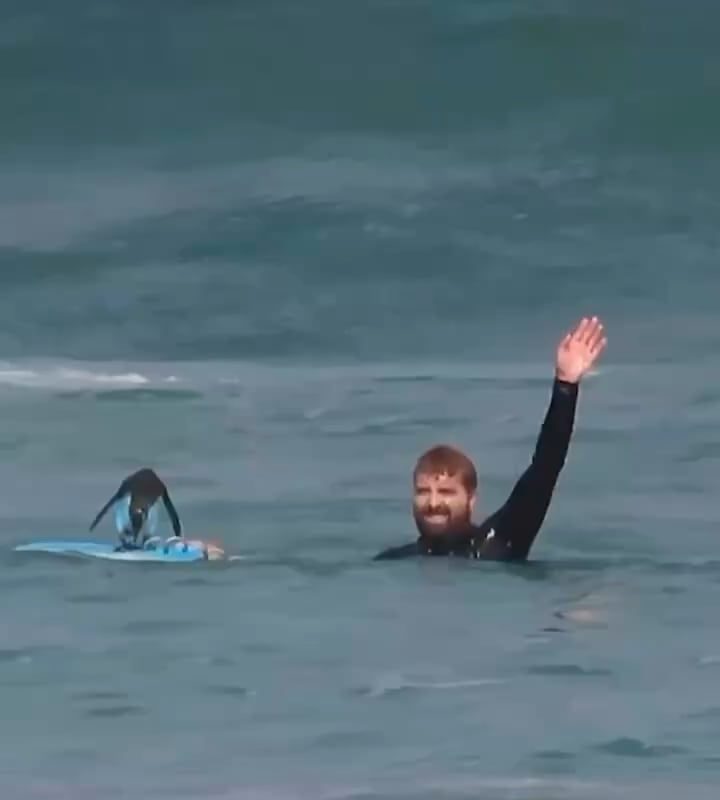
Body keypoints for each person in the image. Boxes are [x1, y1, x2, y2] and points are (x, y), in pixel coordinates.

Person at [374, 316, 607, 562]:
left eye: (446, 492)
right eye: (423, 491)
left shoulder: (496, 543)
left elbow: (546, 467)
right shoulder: (394, 560)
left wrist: (566, 385)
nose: (433, 502)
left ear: (471, 499)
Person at [89, 467, 224, 559]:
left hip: (145, 496)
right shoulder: (129, 486)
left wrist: (179, 539)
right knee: (128, 520)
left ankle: (141, 541)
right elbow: (112, 502)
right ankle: (128, 540)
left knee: (144, 521)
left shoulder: (157, 487)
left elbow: (171, 512)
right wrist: (97, 520)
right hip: (135, 494)